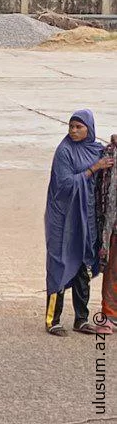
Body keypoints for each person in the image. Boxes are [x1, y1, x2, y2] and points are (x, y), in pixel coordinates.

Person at [45, 110, 114, 336]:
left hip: (86, 218)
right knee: (60, 264)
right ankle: (52, 320)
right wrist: (92, 169)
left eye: (79, 127)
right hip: (63, 217)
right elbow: (64, 185)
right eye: (71, 126)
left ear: (89, 129)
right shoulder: (64, 151)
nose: (73, 131)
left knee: (83, 265)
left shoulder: (95, 150)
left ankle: (81, 319)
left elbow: (109, 158)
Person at [97, 134, 117, 325]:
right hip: (114, 222)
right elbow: (101, 187)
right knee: (112, 270)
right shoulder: (109, 152)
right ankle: (109, 315)